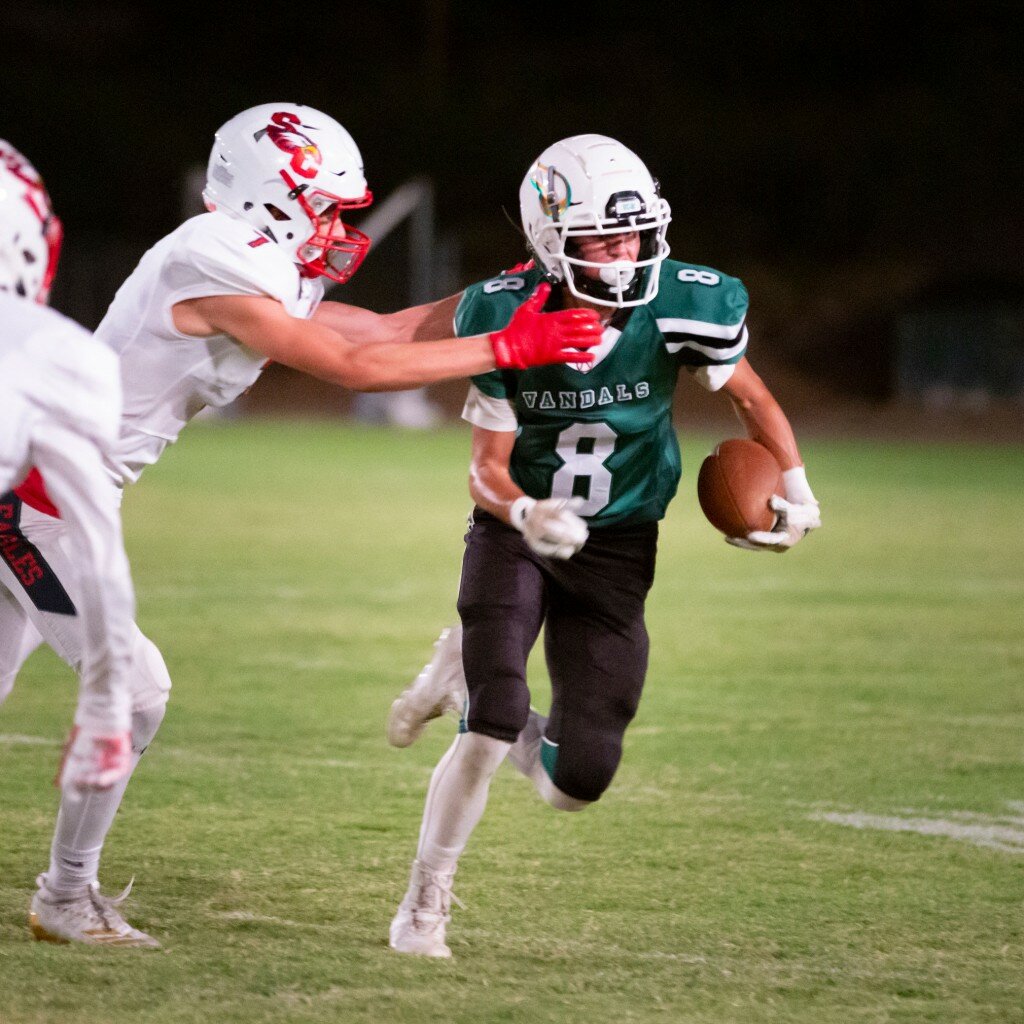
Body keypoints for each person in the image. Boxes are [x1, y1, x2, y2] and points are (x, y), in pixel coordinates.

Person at [3, 104, 600, 948]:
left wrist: (502, 299)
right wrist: (514, 348)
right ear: (273, 196)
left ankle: (66, 896)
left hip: (50, 493)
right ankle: (65, 896)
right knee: (136, 690)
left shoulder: (253, 263)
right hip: (35, 500)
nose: (334, 226)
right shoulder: (212, 258)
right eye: (324, 205)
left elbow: (385, 331)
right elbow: (357, 367)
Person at [384, 134, 822, 958]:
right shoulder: (504, 310)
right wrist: (523, 516)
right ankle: (424, 902)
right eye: (603, 239)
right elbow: (486, 470)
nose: (626, 254)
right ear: (550, 241)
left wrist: (796, 489)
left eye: (635, 234)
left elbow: (752, 396)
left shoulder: (688, 301)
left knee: (573, 783)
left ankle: (458, 675)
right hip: (517, 535)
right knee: (492, 718)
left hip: (620, 544)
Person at [0, 139, 144, 940]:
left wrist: (108, 696)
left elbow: (90, 528)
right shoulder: (54, 353)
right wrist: (104, 700)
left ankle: (66, 894)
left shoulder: (57, 354)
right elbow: (97, 536)